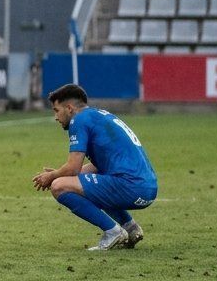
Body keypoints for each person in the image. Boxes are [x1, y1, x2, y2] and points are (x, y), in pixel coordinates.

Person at [34, 84, 155, 251]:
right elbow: (98, 167)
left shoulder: (79, 119)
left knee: (59, 187)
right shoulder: (100, 115)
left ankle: (113, 232)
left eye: (56, 110)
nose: (55, 117)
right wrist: (60, 174)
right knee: (75, 182)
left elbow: (73, 168)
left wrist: (54, 177)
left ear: (69, 108)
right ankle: (130, 228)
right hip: (147, 188)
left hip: (131, 186)